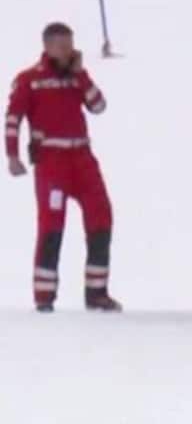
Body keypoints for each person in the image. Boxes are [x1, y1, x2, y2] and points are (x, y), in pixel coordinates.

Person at [5, 22, 122, 312]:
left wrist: (81, 74)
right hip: (52, 162)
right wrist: (12, 154)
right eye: (61, 46)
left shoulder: (77, 77)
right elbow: (13, 117)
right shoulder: (29, 79)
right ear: (47, 47)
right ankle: (44, 296)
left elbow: (98, 106)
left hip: (82, 158)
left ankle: (97, 293)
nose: (67, 51)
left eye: (70, 45)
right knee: (52, 224)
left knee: (101, 216)